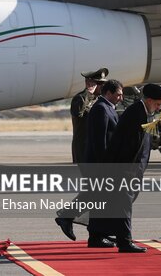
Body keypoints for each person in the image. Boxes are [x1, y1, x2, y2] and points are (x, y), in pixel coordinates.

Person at [88, 83, 161, 253]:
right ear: (150, 100)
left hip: (129, 168)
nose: (159, 107)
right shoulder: (136, 113)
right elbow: (127, 146)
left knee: (113, 202)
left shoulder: (144, 111)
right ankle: (125, 241)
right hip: (124, 168)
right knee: (124, 204)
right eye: (158, 104)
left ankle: (96, 236)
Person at [55, 79, 122, 243]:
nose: (121, 98)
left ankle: (96, 233)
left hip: (96, 158)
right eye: (100, 83)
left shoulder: (104, 105)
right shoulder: (94, 104)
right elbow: (98, 138)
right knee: (96, 193)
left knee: (97, 194)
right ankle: (75, 221)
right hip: (93, 158)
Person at [70, 68, 108, 163]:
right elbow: (78, 114)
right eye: (99, 84)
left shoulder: (100, 99)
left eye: (103, 84)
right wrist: (88, 93)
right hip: (83, 146)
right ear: (89, 83)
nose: (103, 86)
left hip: (96, 146)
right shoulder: (80, 98)